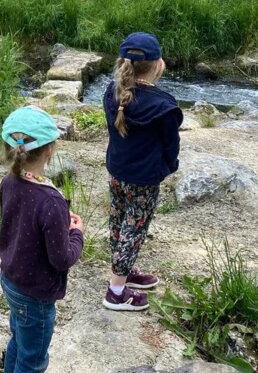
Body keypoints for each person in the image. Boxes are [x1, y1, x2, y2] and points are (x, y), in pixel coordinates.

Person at [0, 105, 85, 373]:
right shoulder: (51, 200)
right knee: (33, 359)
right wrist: (76, 234)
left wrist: (58, 223)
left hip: (11, 280)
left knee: (20, 341)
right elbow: (61, 259)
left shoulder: (8, 182)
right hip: (35, 294)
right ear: (49, 150)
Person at [102, 32, 182, 311]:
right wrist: (166, 169)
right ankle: (116, 291)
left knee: (119, 220)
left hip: (117, 170)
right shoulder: (164, 106)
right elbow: (171, 148)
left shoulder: (111, 93)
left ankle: (123, 270)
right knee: (134, 229)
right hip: (144, 179)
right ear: (158, 64)